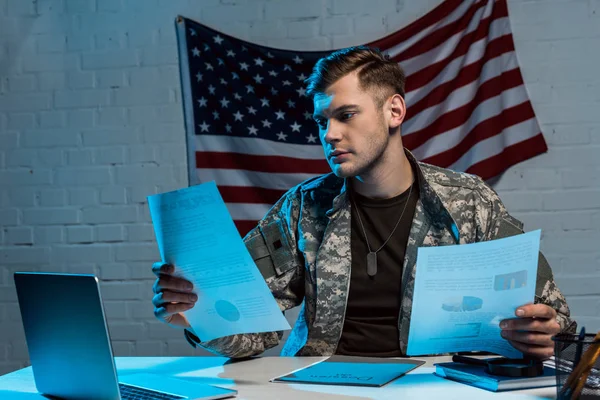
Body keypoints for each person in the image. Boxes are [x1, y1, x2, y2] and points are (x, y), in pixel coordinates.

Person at [152, 46, 575, 360]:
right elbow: (252, 335)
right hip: (317, 387)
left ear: (394, 111)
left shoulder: (469, 201)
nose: (329, 134)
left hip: (431, 387)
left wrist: (542, 334)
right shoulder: (301, 209)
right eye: (322, 121)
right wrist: (200, 316)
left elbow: (554, 321)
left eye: (346, 115)